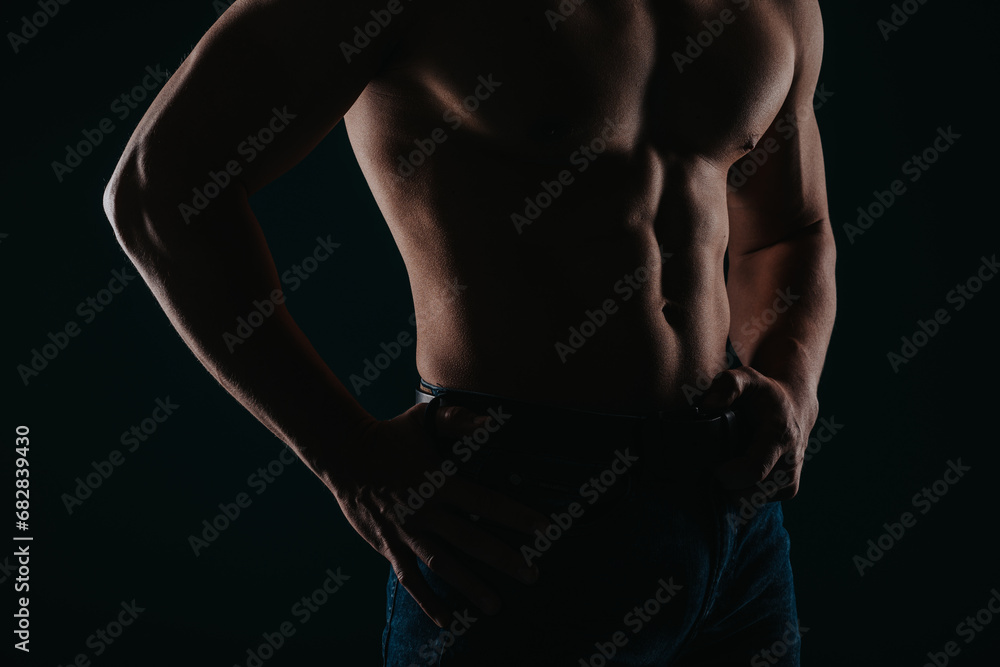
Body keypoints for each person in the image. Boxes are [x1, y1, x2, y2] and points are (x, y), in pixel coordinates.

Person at [103, 0, 836, 664]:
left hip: (732, 500)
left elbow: (789, 230)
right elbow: (156, 189)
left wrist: (793, 381)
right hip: (516, 510)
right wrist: (348, 456)